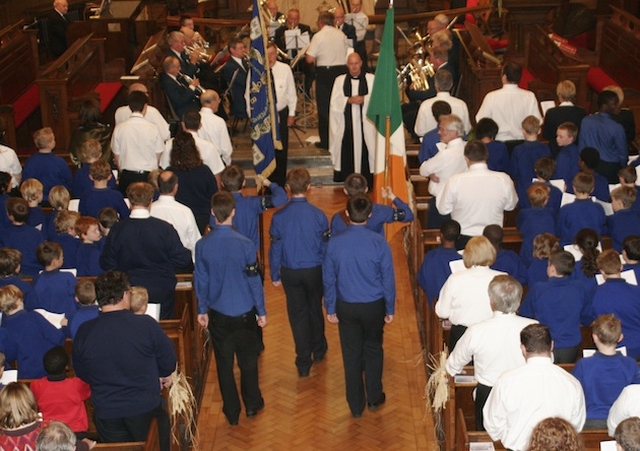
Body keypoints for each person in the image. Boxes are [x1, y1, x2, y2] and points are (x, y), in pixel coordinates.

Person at [72, 270, 175, 449]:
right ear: (125, 295)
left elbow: (82, 371)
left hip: (107, 411)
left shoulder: (85, 331)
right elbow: (168, 361)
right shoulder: (145, 325)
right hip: (144, 407)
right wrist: (162, 374)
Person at [195, 191, 266, 425]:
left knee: (224, 364)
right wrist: (262, 311)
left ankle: (232, 411)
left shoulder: (203, 245)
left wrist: (202, 310)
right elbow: (254, 280)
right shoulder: (245, 244)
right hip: (245, 312)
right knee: (248, 361)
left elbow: (201, 280)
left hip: (218, 314)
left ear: (213, 213)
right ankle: (252, 404)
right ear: (233, 212)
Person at [323, 194, 395, 419]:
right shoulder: (379, 242)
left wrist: (331, 308)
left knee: (351, 354)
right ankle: (374, 397)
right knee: (374, 349)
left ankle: (355, 405)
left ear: (347, 214)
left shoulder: (335, 242)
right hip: (374, 305)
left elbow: (328, 278)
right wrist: (390, 308)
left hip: (347, 306)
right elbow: (388, 279)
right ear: (370, 215)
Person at [446, 275, 537, 430]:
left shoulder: (476, 331)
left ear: (491, 301)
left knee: (485, 435)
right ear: (519, 300)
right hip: (524, 392)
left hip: (489, 393)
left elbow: (453, 364)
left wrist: (451, 371)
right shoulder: (533, 327)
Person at [483, 324, 586, 451]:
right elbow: (576, 425)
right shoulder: (571, 383)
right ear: (552, 346)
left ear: (523, 349)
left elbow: (492, 422)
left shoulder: (506, 381)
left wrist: (510, 439)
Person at [269, 168, 329, 377]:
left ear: (287, 188)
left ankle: (303, 360)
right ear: (309, 187)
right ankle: (319, 349)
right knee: (314, 307)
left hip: (290, 271)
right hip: (315, 270)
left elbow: (275, 247)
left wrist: (274, 275)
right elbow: (325, 247)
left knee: (298, 315)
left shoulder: (278, 217)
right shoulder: (319, 215)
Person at [100, 183, 191, 319]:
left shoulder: (118, 230)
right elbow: (183, 259)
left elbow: (107, 263)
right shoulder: (164, 229)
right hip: (160, 288)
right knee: (162, 331)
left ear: (130, 202)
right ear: (150, 201)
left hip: (129, 292)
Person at [436, 140, 518, 246]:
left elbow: (443, 209)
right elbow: (510, 206)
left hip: (463, 239)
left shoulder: (455, 180)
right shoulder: (503, 179)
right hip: (492, 238)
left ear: (466, 158)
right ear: (486, 156)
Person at [519, 250, 591, 363]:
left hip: (543, 344)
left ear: (552, 268)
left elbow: (524, 314)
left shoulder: (539, 289)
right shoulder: (579, 288)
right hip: (570, 343)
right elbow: (587, 317)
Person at [435, 236, 505, 350]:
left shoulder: (455, 278)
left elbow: (442, 312)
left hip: (462, 335)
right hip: (493, 334)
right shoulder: (503, 278)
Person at [572, 314, 640, 429]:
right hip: (622, 423)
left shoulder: (583, 365)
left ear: (594, 337)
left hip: (592, 420)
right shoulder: (631, 364)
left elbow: (574, 394)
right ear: (620, 337)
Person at [217, 165, 288, 256]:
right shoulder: (252, 203)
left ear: (222, 184)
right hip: (249, 254)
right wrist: (269, 184)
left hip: (226, 255)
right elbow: (281, 198)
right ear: (244, 183)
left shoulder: (217, 205)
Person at [329, 52, 375, 184]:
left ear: (361, 63)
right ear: (347, 65)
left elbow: (378, 100)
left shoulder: (371, 79)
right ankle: (348, 180)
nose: (354, 67)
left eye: (356, 63)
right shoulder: (339, 80)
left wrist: (364, 99)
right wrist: (347, 100)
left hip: (366, 125)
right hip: (346, 125)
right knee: (347, 148)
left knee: (368, 149)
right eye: (351, 64)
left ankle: (367, 179)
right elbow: (334, 103)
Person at [0, 285, 65, 379]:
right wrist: (61, 327)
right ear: (18, 301)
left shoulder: (4, 329)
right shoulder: (35, 317)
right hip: (49, 370)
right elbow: (59, 338)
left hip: (26, 374)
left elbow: (10, 356)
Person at [306, 11, 349, 149]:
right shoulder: (341, 34)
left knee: (324, 108)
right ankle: (342, 137)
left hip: (325, 73)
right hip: (341, 71)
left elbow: (309, 59)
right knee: (340, 104)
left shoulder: (318, 36)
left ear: (320, 22)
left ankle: (326, 141)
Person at [475, 61, 541, 149]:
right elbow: (537, 121)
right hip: (522, 143)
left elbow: (481, 120)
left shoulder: (492, 96)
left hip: (498, 142)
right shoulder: (529, 96)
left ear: (504, 77)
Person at [419, 114, 467, 228]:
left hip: (441, 203)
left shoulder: (445, 154)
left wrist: (430, 173)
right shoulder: (468, 147)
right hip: (462, 202)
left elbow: (423, 170)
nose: (439, 132)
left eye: (442, 129)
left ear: (454, 132)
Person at [111, 91, 164, 195]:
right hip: (148, 176)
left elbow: (116, 156)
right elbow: (158, 154)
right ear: (145, 107)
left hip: (127, 176)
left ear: (129, 106)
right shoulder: (153, 128)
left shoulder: (119, 128)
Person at [31, 346, 91, 436]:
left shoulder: (36, 385)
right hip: (76, 431)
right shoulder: (76, 384)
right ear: (66, 367)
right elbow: (87, 393)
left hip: (49, 431)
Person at [591, 249, 640, 359]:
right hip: (637, 346)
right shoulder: (637, 291)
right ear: (621, 267)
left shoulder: (596, 293)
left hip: (611, 347)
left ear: (602, 271)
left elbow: (592, 318)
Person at [330, 173, 413, 237]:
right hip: (375, 256)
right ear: (366, 189)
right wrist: (392, 197)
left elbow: (333, 245)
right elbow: (408, 215)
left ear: (345, 191)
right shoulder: (381, 211)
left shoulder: (337, 219)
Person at [166, 131, 218, 233]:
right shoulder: (204, 171)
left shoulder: (170, 173)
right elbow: (214, 195)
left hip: (178, 219)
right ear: (194, 149)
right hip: (202, 219)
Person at [161, 111, 224, 186]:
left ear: (183, 124)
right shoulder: (209, 146)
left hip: (178, 187)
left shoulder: (169, 144)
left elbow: (164, 169)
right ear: (200, 126)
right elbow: (216, 174)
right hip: (201, 187)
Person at [150, 171, 201, 261]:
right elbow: (195, 242)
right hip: (181, 264)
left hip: (154, 262)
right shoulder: (185, 211)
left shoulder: (150, 209)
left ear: (158, 186)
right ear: (176, 187)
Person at [579, 90, 628, 183]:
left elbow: (581, 147)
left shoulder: (586, 121)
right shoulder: (617, 127)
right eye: (615, 103)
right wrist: (621, 168)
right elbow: (623, 155)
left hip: (589, 167)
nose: (618, 106)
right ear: (605, 106)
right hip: (611, 170)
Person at [266, 43, 297, 187]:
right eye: (266, 54)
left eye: (272, 54)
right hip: (263, 116)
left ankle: (280, 183)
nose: (270, 57)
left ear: (276, 54)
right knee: (265, 149)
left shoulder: (285, 69)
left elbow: (291, 93)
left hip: (281, 113)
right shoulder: (255, 70)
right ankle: (266, 183)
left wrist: (291, 114)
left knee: (281, 149)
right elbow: (248, 95)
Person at [417, 219, 462, 307]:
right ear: (459, 237)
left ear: (441, 235)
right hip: (452, 309)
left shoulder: (430, 256)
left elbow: (421, 280)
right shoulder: (461, 261)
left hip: (433, 306)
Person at [414, 70, 471, 138]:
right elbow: (466, 130)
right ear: (451, 84)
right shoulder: (461, 104)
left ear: (436, 85)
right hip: (456, 143)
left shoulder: (425, 105)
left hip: (431, 145)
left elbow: (419, 131)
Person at [509, 116, 551, 207]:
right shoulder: (545, 149)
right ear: (539, 130)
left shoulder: (518, 150)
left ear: (523, 131)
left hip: (523, 190)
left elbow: (513, 172)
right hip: (542, 191)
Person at [556, 173, 607, 246]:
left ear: (574, 188)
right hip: (593, 247)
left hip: (571, 247)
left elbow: (559, 231)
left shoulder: (566, 209)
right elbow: (602, 229)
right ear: (592, 189)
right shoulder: (599, 208)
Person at [22, 127, 72, 199]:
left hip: (35, 198)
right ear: (49, 144)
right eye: (53, 140)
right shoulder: (59, 162)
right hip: (57, 198)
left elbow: (26, 181)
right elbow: (68, 181)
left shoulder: (30, 162)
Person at [0, 197, 45, 276]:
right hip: (34, 273)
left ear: (10, 216)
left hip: (12, 273)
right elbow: (42, 255)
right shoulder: (36, 233)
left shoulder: (4, 234)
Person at [32, 241, 77, 319]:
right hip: (65, 319)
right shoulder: (68, 278)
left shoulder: (37, 279)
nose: (63, 258)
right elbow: (73, 301)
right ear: (54, 262)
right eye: (61, 256)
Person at [542, 80, 587, 157]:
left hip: (555, 152)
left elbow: (546, 135)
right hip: (575, 152)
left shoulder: (552, 112)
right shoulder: (581, 112)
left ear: (559, 95)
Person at [516, 183, 556, 266]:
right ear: (546, 201)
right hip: (547, 249)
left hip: (529, 249)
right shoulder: (551, 212)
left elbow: (518, 226)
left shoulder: (524, 213)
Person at [67, 99, 112, 167]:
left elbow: (74, 156)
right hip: (104, 169)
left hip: (84, 170)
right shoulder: (107, 131)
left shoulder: (77, 134)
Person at [159, 56, 201, 120]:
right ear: (170, 69)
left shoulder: (173, 77)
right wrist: (192, 86)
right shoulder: (167, 83)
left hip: (190, 104)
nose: (180, 69)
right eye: (177, 67)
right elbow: (180, 101)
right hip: (185, 111)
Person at [198, 89, 233, 165]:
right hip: (216, 161)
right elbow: (226, 148)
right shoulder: (219, 121)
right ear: (212, 102)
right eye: (218, 100)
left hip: (198, 162)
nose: (219, 102)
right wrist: (228, 163)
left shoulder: (195, 119)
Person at [223, 38, 249, 120]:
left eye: (244, 47)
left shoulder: (244, 61)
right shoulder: (229, 66)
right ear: (232, 50)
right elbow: (244, 82)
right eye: (240, 48)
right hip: (241, 99)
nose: (244, 50)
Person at [608, 186, 640, 252]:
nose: (612, 203)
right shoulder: (637, 216)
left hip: (620, 252)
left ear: (619, 202)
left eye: (612, 201)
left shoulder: (612, 219)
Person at [553, 121, 581, 189]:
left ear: (570, 138)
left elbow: (561, 176)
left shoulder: (564, 155)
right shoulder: (576, 149)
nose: (557, 139)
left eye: (561, 137)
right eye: (557, 135)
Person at [346, 0, 369, 68]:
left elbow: (361, 35)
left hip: (359, 45)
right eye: (353, 5)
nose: (355, 7)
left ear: (361, 5)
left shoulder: (364, 18)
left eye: (357, 5)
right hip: (348, 45)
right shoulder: (347, 17)